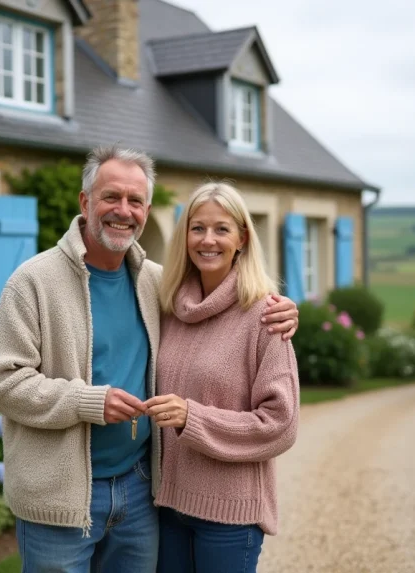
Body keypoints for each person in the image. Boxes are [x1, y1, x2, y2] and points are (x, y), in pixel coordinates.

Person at [0, 145, 299, 573]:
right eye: (111, 197)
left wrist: (283, 310)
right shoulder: (33, 282)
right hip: (62, 497)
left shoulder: (155, 285)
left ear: (147, 210)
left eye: (135, 200)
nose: (123, 210)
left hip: (140, 492)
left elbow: (229, 314)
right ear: (85, 201)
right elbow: (1, 381)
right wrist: (88, 401)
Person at [145, 181, 301, 573]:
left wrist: (191, 417)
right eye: (197, 228)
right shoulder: (169, 309)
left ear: (242, 238)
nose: (207, 240)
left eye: (221, 229)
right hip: (167, 506)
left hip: (229, 514)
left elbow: (280, 425)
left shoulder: (265, 316)